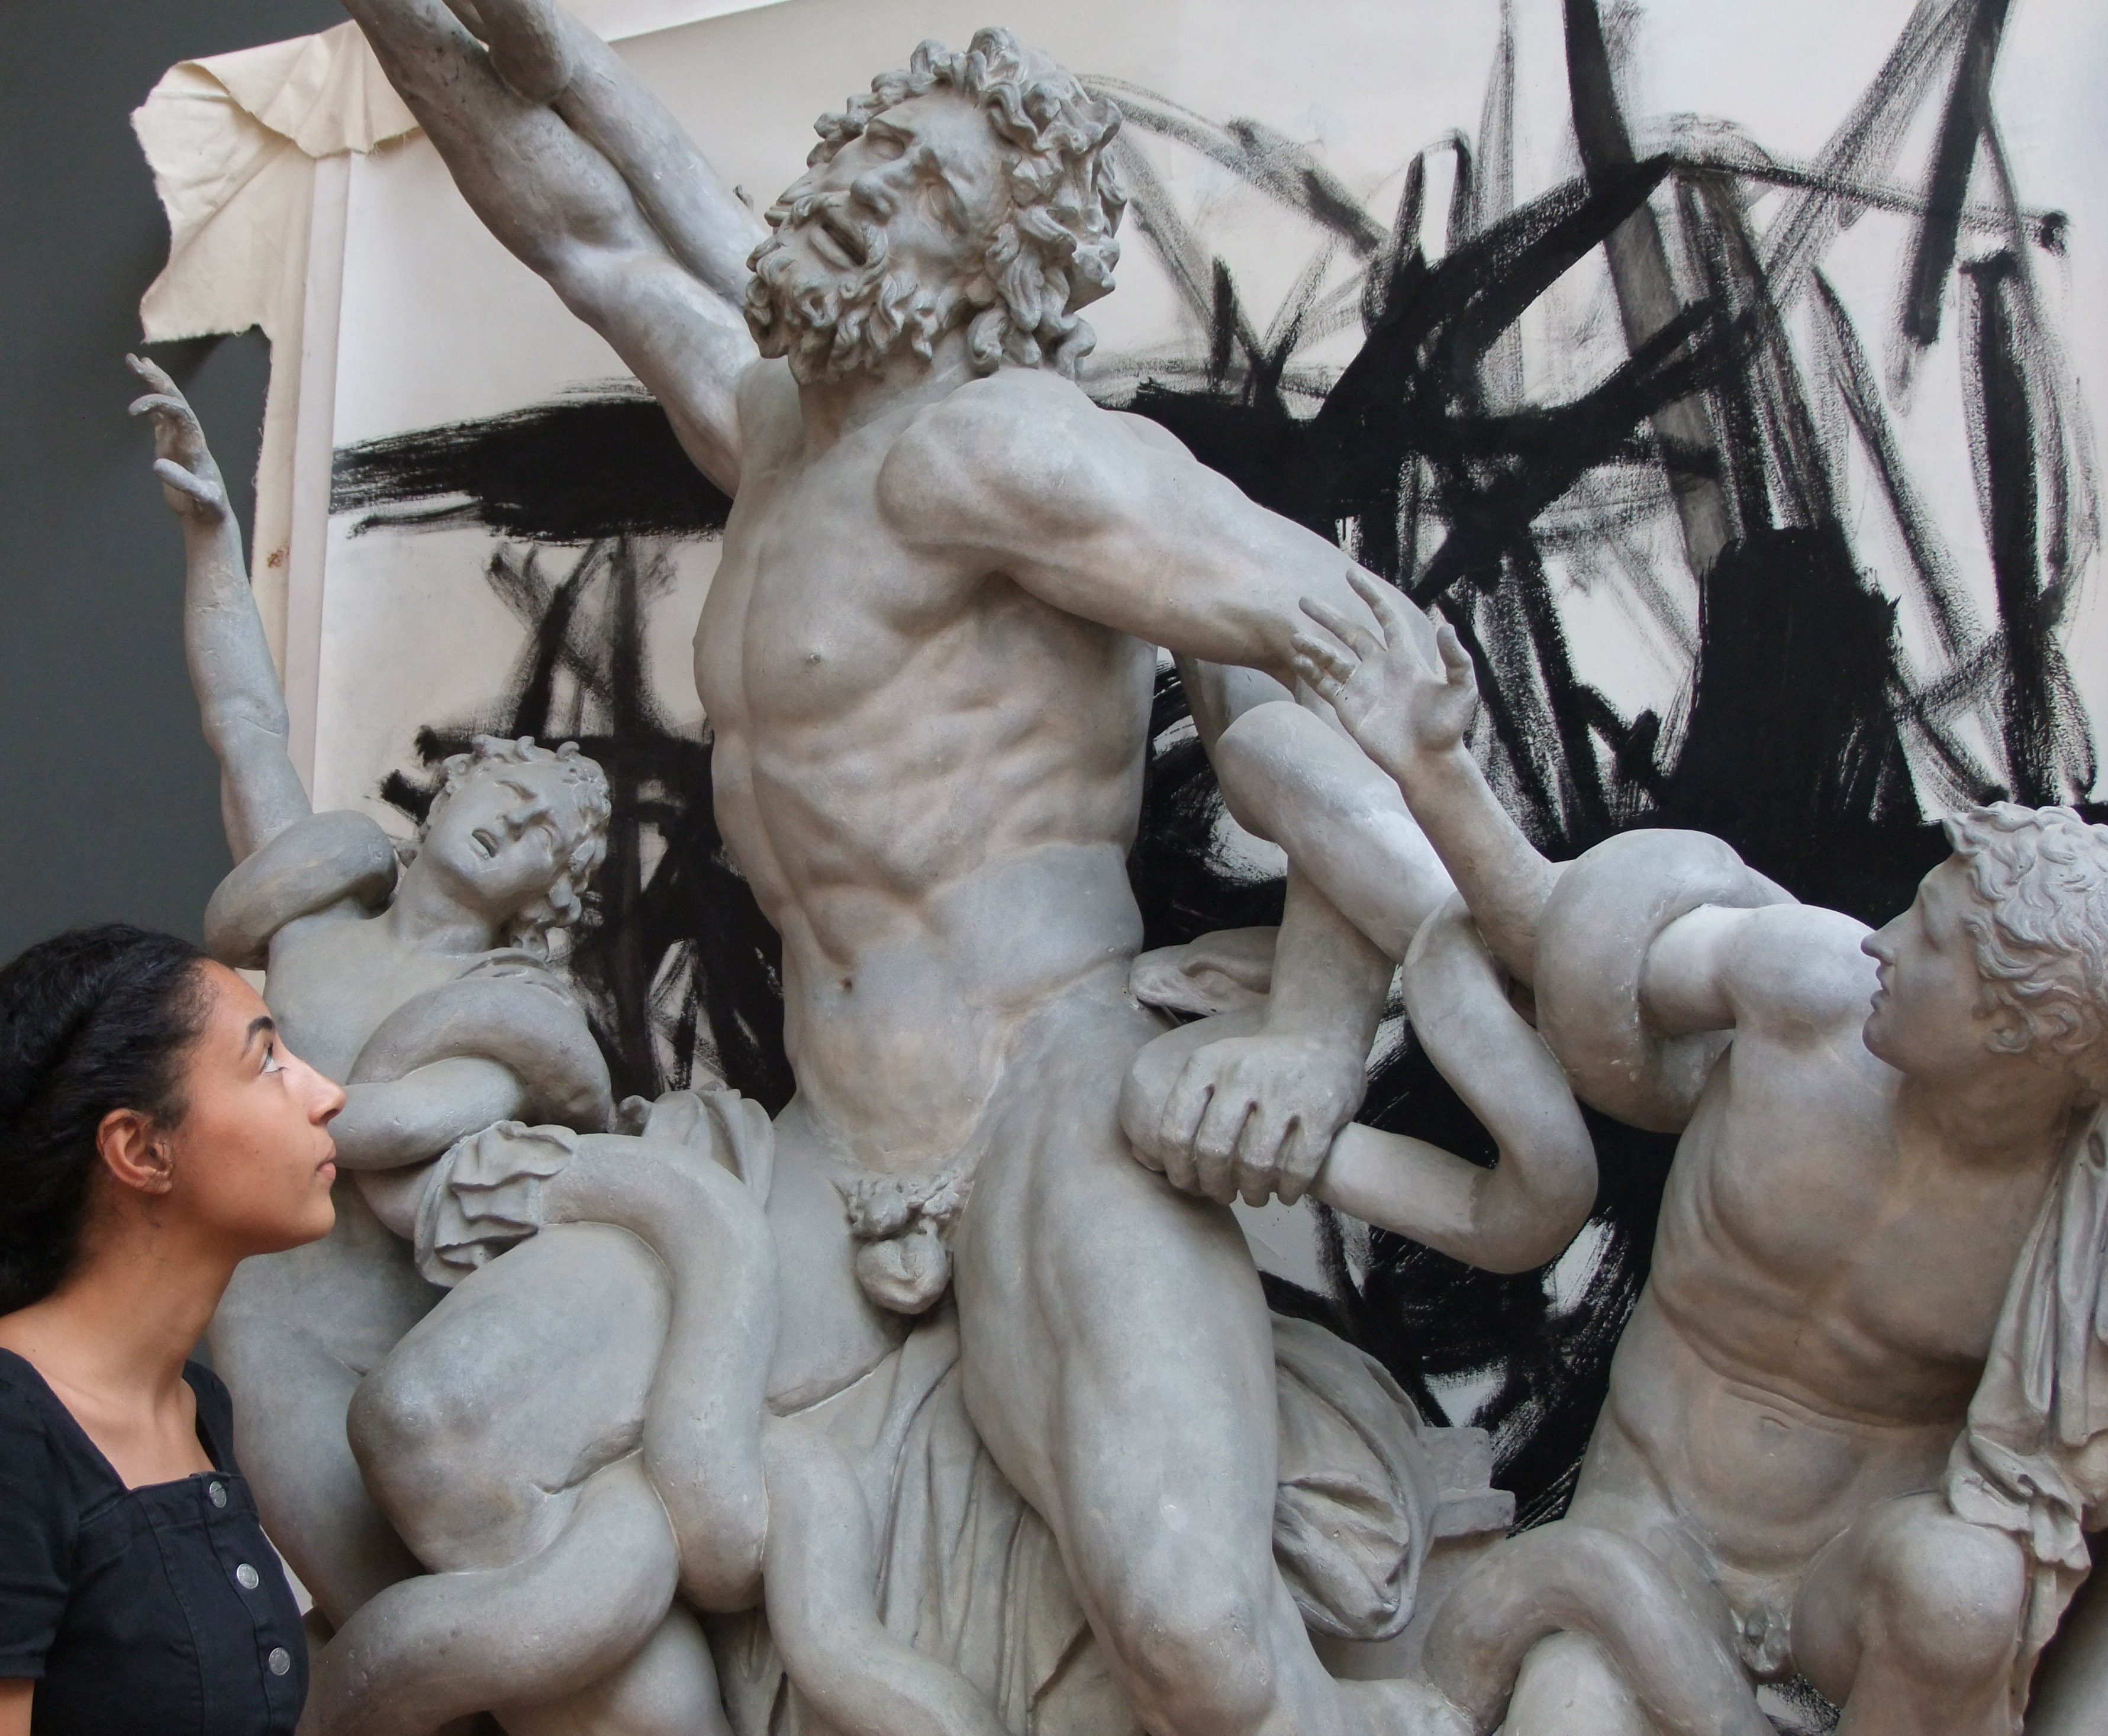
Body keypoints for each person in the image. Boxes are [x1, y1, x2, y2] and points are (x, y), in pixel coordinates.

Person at [338, 7, 1468, 1735]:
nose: (862, 185)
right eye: (861, 146)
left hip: (1049, 1100)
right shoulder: (774, 432)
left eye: (923, 181)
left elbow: (1360, 652)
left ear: (990, 267)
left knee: (1201, 1648)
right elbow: (577, 216)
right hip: (817, 1148)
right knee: (437, 1429)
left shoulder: (1008, 451)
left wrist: (1313, 1035)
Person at [1291, 569, 2108, 1734]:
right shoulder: (1806, 991)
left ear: (2015, 1034)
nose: (1884, 939)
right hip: (1651, 1533)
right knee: (1568, 1712)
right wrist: (1435, 770)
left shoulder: (2074, 1235)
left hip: (1841, 1600)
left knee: (1963, 1585)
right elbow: (1552, 936)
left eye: (1930, 940)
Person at [127, 356, 618, 1630]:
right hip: (275, 1340)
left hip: (412, 1354)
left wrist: (204, 1115)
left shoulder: (512, 1016)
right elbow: (241, 721)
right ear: (446, 791)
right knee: (381, 1635)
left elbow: (386, 1129)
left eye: (548, 838)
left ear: (544, 898)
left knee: (471, 1620)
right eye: (508, 789)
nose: (518, 821)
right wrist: (214, 545)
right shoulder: (313, 920)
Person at [0, 923, 344, 1736]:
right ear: (140, 1147)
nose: (326, 1091)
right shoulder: (15, 1431)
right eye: (267, 1061)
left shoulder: (197, 1407)